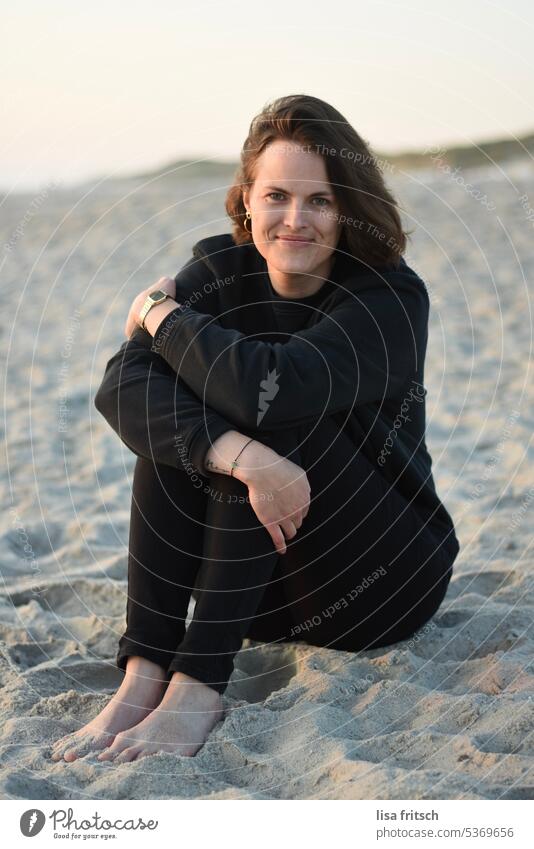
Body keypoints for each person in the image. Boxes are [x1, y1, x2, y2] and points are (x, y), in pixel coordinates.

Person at [50, 93, 460, 764]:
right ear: (246, 201)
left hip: (383, 578)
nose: (295, 219)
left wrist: (159, 312)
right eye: (276, 195)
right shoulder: (216, 272)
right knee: (185, 425)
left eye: (320, 200)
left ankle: (198, 688)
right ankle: (147, 667)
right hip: (258, 596)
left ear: (347, 207)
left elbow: (271, 389)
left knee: (262, 403)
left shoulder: (389, 295)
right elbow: (120, 384)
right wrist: (238, 457)